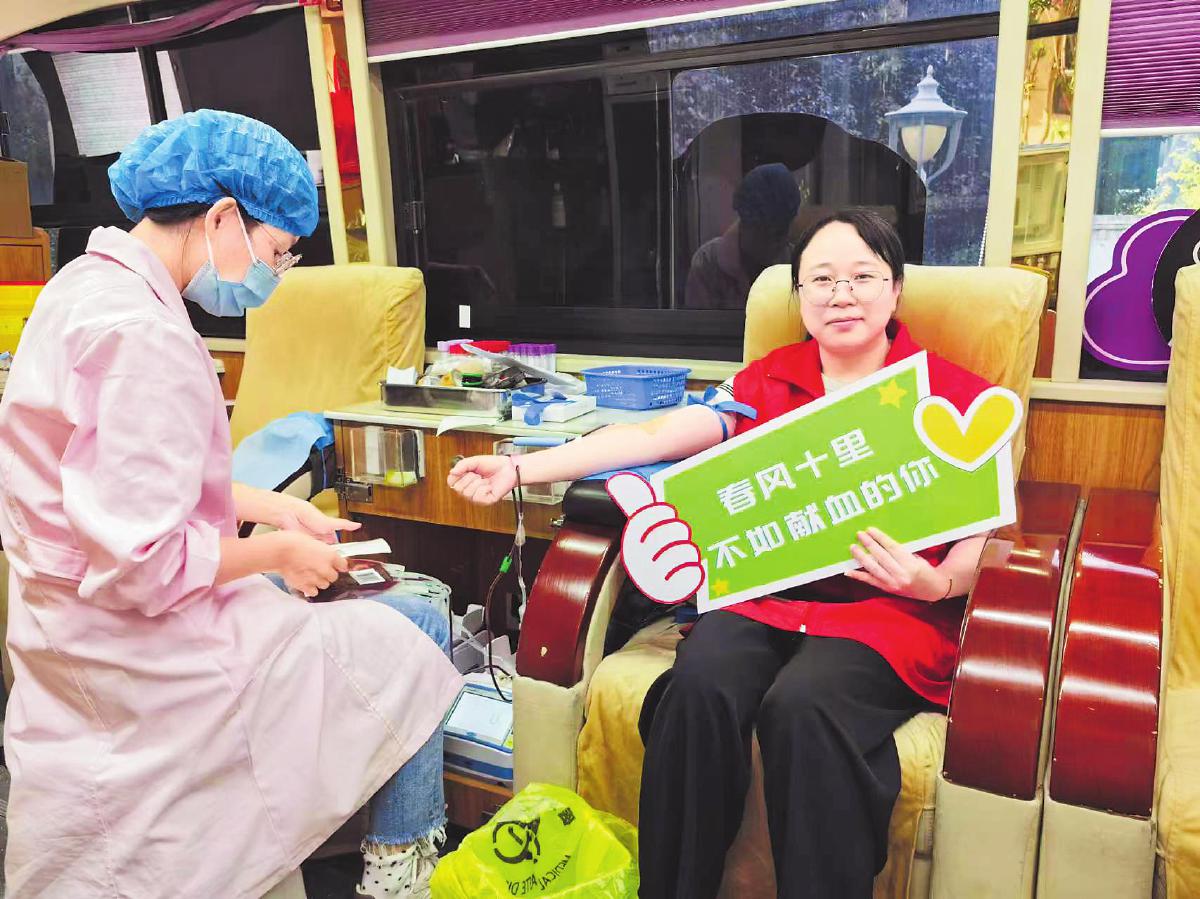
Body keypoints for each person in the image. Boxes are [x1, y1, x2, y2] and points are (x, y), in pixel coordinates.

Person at [448, 209, 995, 898]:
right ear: (799, 295)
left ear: (896, 290)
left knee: (804, 707)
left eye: (863, 277)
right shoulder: (766, 383)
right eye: (821, 279)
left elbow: (985, 531)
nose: (842, 295)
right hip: (763, 597)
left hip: (884, 613)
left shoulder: (953, 396)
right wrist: (521, 468)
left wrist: (935, 581)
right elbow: (654, 436)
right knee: (698, 687)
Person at [0, 110, 461, 899]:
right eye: (278, 252)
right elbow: (146, 564)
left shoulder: (80, 288)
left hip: (67, 625)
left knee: (396, 622)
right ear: (220, 218)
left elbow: (129, 485)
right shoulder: (143, 339)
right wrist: (279, 554)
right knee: (413, 636)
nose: (275, 277)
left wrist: (279, 513)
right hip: (143, 646)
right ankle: (397, 875)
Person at [685, 162, 802, 309]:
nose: (774, 244)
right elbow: (697, 323)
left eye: (780, 233)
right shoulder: (707, 265)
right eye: (764, 233)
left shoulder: (796, 266)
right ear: (745, 223)